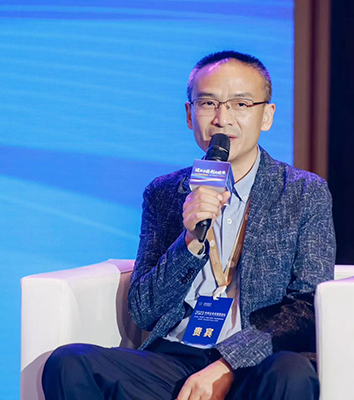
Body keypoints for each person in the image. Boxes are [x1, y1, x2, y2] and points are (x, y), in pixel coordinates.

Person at [42, 50, 336, 400]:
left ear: (267, 115)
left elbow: (307, 307)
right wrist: (190, 241)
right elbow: (144, 310)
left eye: (240, 104)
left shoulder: (303, 192)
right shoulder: (165, 192)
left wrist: (228, 363)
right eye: (208, 103)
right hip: (176, 359)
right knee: (69, 363)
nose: (222, 119)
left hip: (255, 365)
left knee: (292, 372)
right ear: (189, 114)